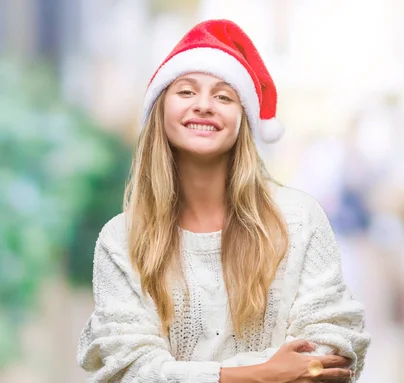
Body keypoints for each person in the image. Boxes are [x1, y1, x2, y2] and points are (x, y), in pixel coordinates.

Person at [77, 19, 370, 382]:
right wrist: (263, 373)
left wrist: (180, 373)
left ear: (243, 119)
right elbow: (129, 370)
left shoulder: (299, 219)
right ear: (160, 110)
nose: (203, 106)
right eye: (185, 92)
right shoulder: (120, 239)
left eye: (223, 96)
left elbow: (331, 351)